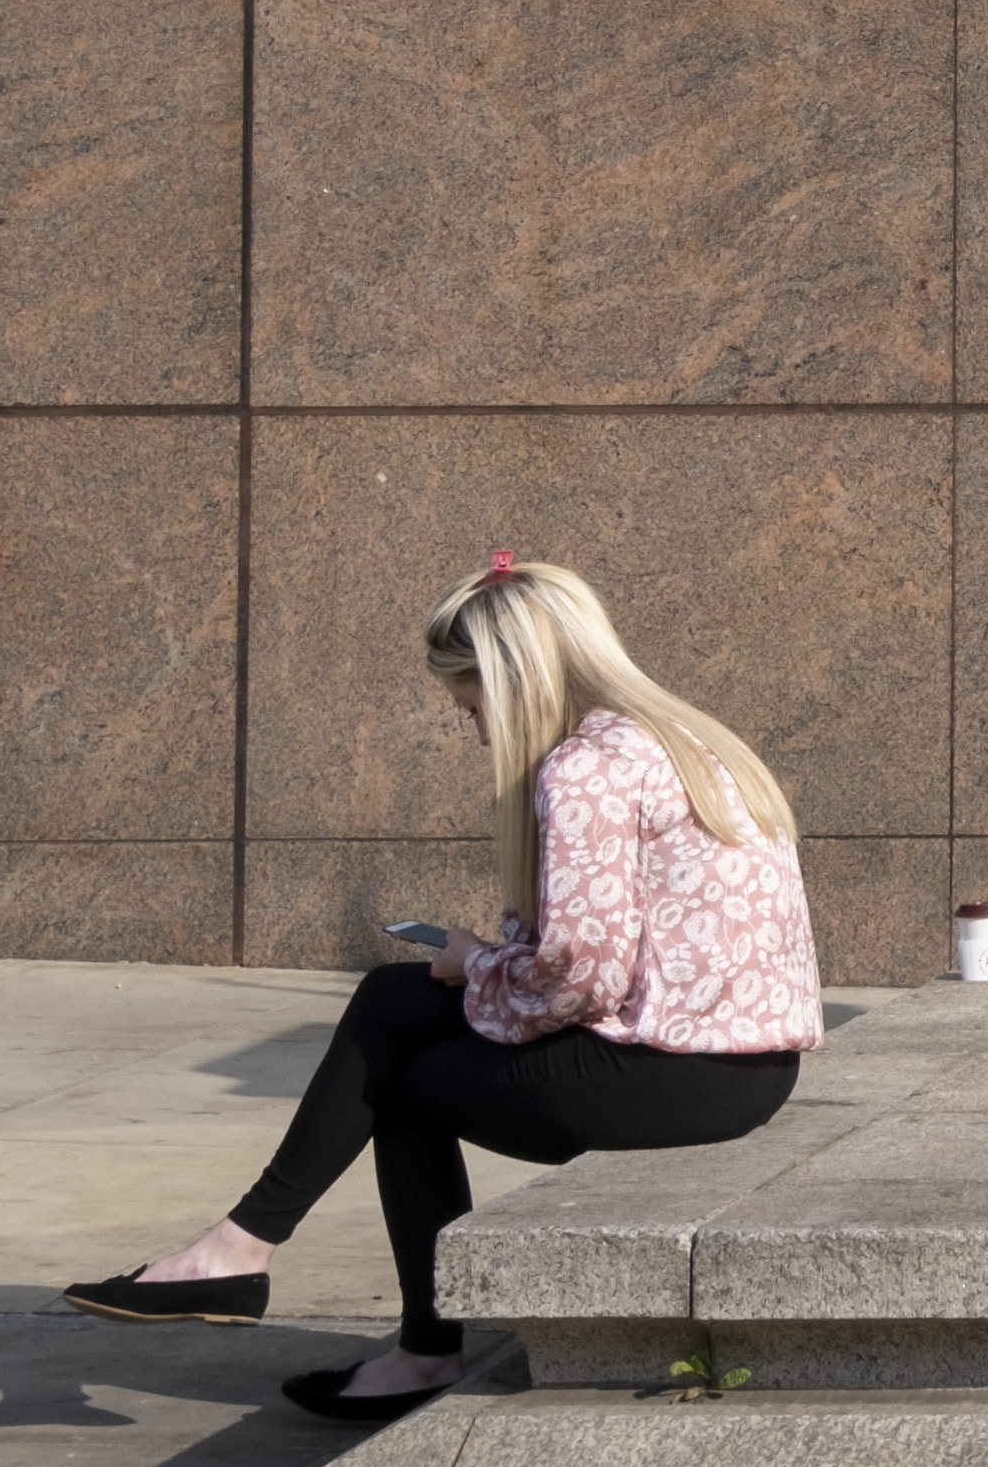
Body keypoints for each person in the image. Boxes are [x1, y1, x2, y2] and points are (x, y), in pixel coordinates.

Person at [71, 552, 822, 1422]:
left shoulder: (584, 769)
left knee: (403, 1087)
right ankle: (243, 1248)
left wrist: (475, 966)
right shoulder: (689, 742)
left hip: (668, 1074)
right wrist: (489, 964)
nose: (475, 732)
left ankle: (355, 1313)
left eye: (471, 708)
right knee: (394, 1000)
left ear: (507, 684)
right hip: (749, 1069)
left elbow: (581, 978)